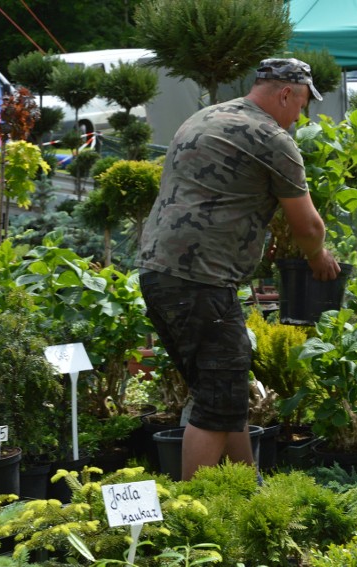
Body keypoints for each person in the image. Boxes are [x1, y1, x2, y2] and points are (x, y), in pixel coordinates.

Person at [136, 58, 340, 480]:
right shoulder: (270, 137)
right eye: (301, 105)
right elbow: (308, 225)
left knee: (224, 393)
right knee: (216, 401)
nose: (300, 116)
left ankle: (246, 489)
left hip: (158, 271)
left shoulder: (204, 117)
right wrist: (319, 259)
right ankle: (200, 517)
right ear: (286, 94)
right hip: (202, 279)